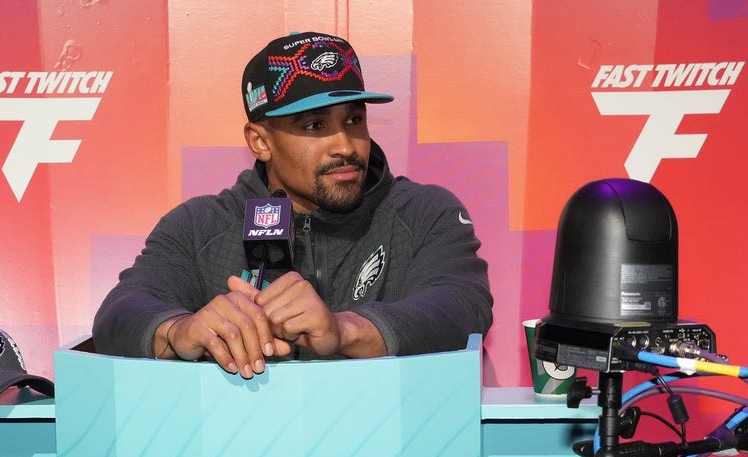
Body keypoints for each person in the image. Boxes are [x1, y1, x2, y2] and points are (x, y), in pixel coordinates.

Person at [92, 31, 493, 378]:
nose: (345, 145)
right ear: (260, 141)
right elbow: (118, 315)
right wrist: (180, 331)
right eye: (315, 126)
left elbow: (462, 307)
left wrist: (344, 330)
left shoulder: (424, 213)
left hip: (394, 451)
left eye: (354, 120)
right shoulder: (197, 226)